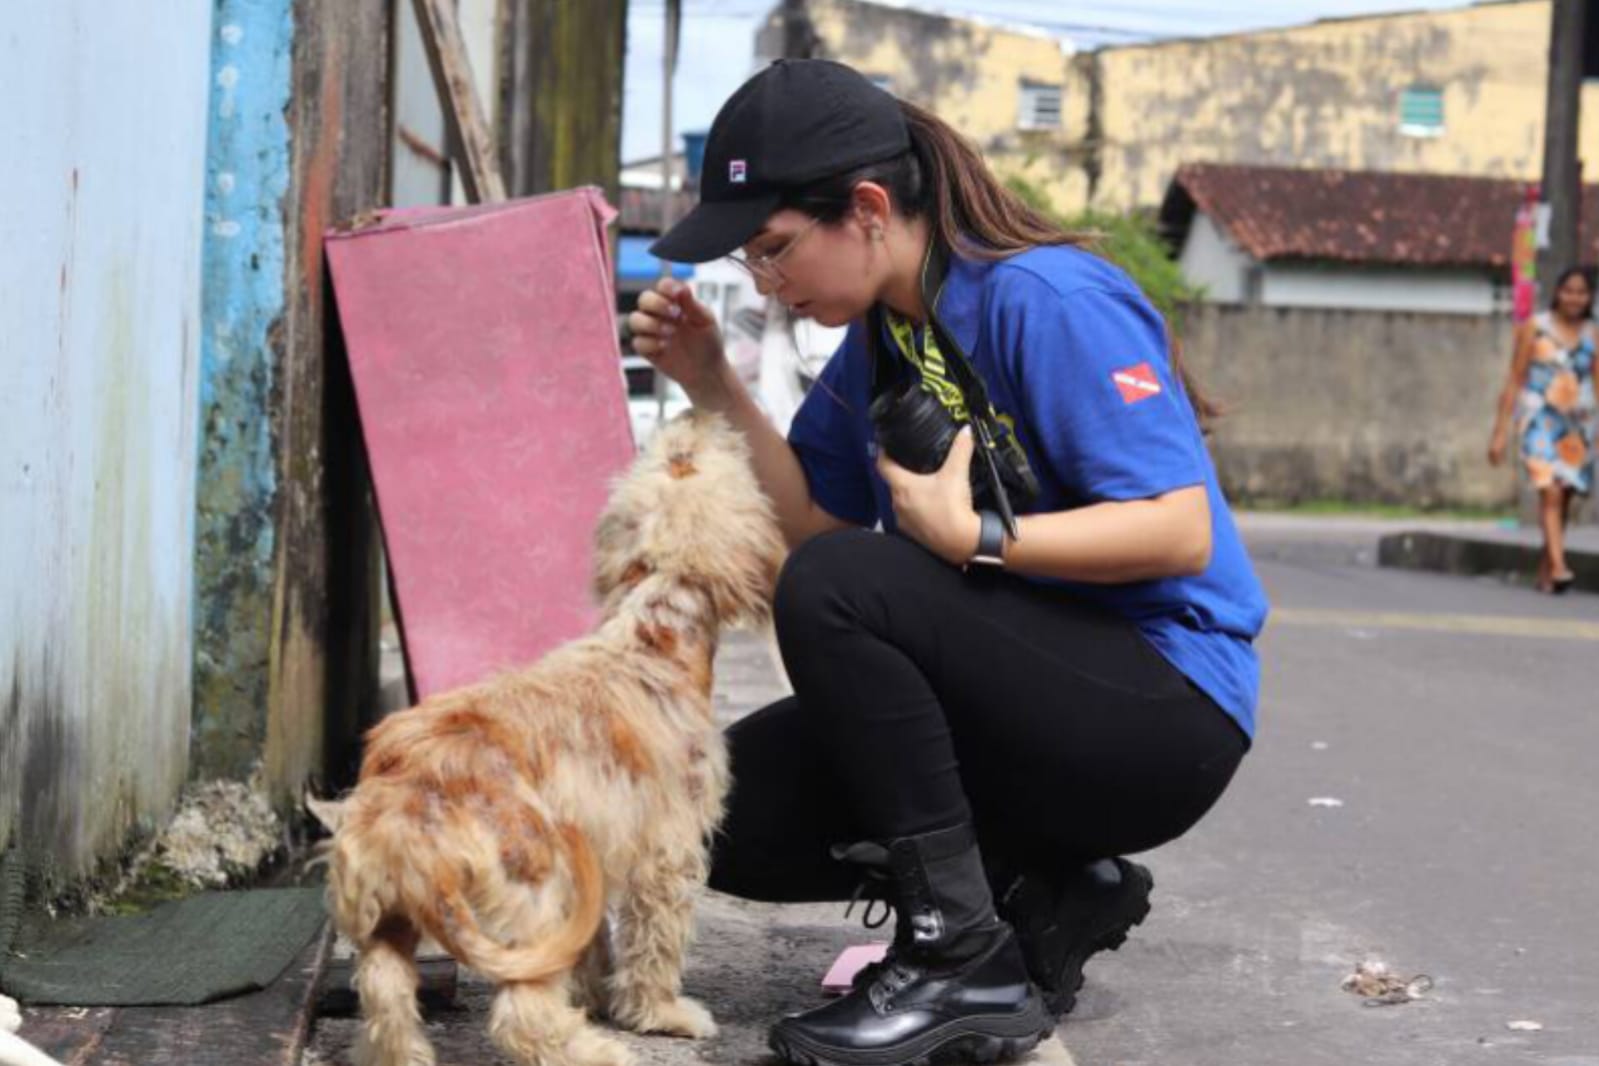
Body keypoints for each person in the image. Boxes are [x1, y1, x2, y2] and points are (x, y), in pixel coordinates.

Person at [630, 59, 1268, 1066]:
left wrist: (978, 537)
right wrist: (712, 376)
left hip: (1162, 707)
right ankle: (1043, 891)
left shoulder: (1043, 298)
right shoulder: (884, 337)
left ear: (869, 208)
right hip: (1032, 698)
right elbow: (818, 525)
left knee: (841, 588)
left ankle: (956, 960)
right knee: (724, 811)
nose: (770, 284)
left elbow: (1179, 529)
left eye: (776, 249)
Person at [1489, 265, 1596, 594]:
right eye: (1568, 290)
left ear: (1589, 297)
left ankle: (1547, 567)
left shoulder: (1594, 333)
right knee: (1549, 490)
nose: (1574, 298)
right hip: (1538, 418)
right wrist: (1500, 432)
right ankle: (1561, 566)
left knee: (1564, 497)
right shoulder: (1535, 327)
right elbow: (1515, 377)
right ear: (1557, 293)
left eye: (1581, 292)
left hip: (1578, 422)